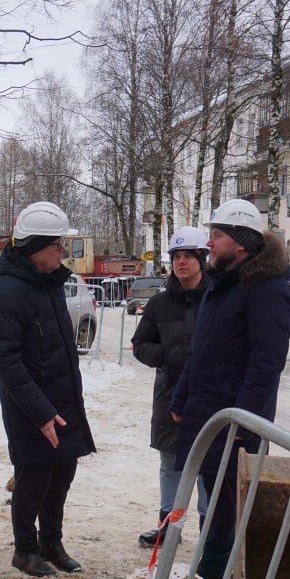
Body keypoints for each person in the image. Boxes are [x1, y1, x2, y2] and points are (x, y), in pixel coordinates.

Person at [168, 199, 290, 579]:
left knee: (231, 499)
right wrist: (181, 397)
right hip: (206, 410)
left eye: (217, 236)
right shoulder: (221, 285)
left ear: (240, 243)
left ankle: (222, 572)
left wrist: (246, 418)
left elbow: (265, 363)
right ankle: (216, 568)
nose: (210, 242)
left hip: (235, 417)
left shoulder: (267, 289)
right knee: (214, 489)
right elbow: (200, 350)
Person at [0, 201, 96, 577]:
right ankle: (25, 549)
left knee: (62, 474)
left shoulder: (48, 284)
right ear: (35, 248)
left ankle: (51, 541)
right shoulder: (6, 293)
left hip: (62, 398)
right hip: (30, 406)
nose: (62, 252)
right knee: (33, 478)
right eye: (57, 245)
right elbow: (7, 362)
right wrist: (41, 412)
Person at [131, 226, 213, 548]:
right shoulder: (159, 305)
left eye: (188, 256)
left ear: (201, 260)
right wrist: (169, 356)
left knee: (209, 464)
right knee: (170, 464)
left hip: (209, 397)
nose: (181, 263)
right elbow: (139, 345)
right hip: (169, 395)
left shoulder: (216, 299)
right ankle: (168, 527)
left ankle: (210, 531)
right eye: (176, 257)